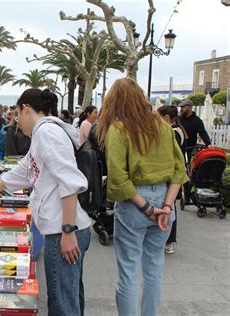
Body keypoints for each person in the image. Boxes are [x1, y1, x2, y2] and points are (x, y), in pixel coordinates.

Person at [0, 88, 91, 316]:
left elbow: (70, 182)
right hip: (62, 229)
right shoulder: (42, 135)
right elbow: (12, 177)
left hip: (63, 230)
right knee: (68, 298)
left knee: (63, 304)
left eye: (17, 115)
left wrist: (68, 230)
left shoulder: (47, 133)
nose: (16, 121)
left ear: (25, 109)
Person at [97, 78, 187, 316]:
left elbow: (118, 177)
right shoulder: (163, 127)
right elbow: (180, 171)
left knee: (128, 271)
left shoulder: (118, 129)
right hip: (166, 197)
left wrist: (148, 208)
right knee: (154, 269)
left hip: (135, 201)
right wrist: (166, 206)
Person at [157, 105, 188, 255]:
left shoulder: (173, 132)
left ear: (166, 118)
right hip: (174, 174)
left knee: (170, 207)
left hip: (172, 175)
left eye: (159, 116)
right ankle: (168, 240)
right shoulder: (178, 130)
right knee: (170, 206)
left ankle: (169, 240)